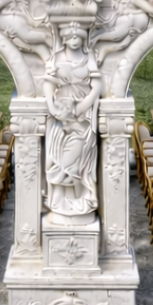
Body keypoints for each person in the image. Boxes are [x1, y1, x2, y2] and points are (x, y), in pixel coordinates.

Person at [43, 23, 102, 221]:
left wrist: (80, 108)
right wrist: (52, 106)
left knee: (73, 163)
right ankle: (59, 202)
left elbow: (96, 87)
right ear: (65, 38)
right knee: (53, 161)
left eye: (79, 36)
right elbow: (49, 83)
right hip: (60, 116)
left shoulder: (89, 58)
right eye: (71, 36)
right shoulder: (57, 58)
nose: (75, 39)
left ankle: (83, 199)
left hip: (82, 118)